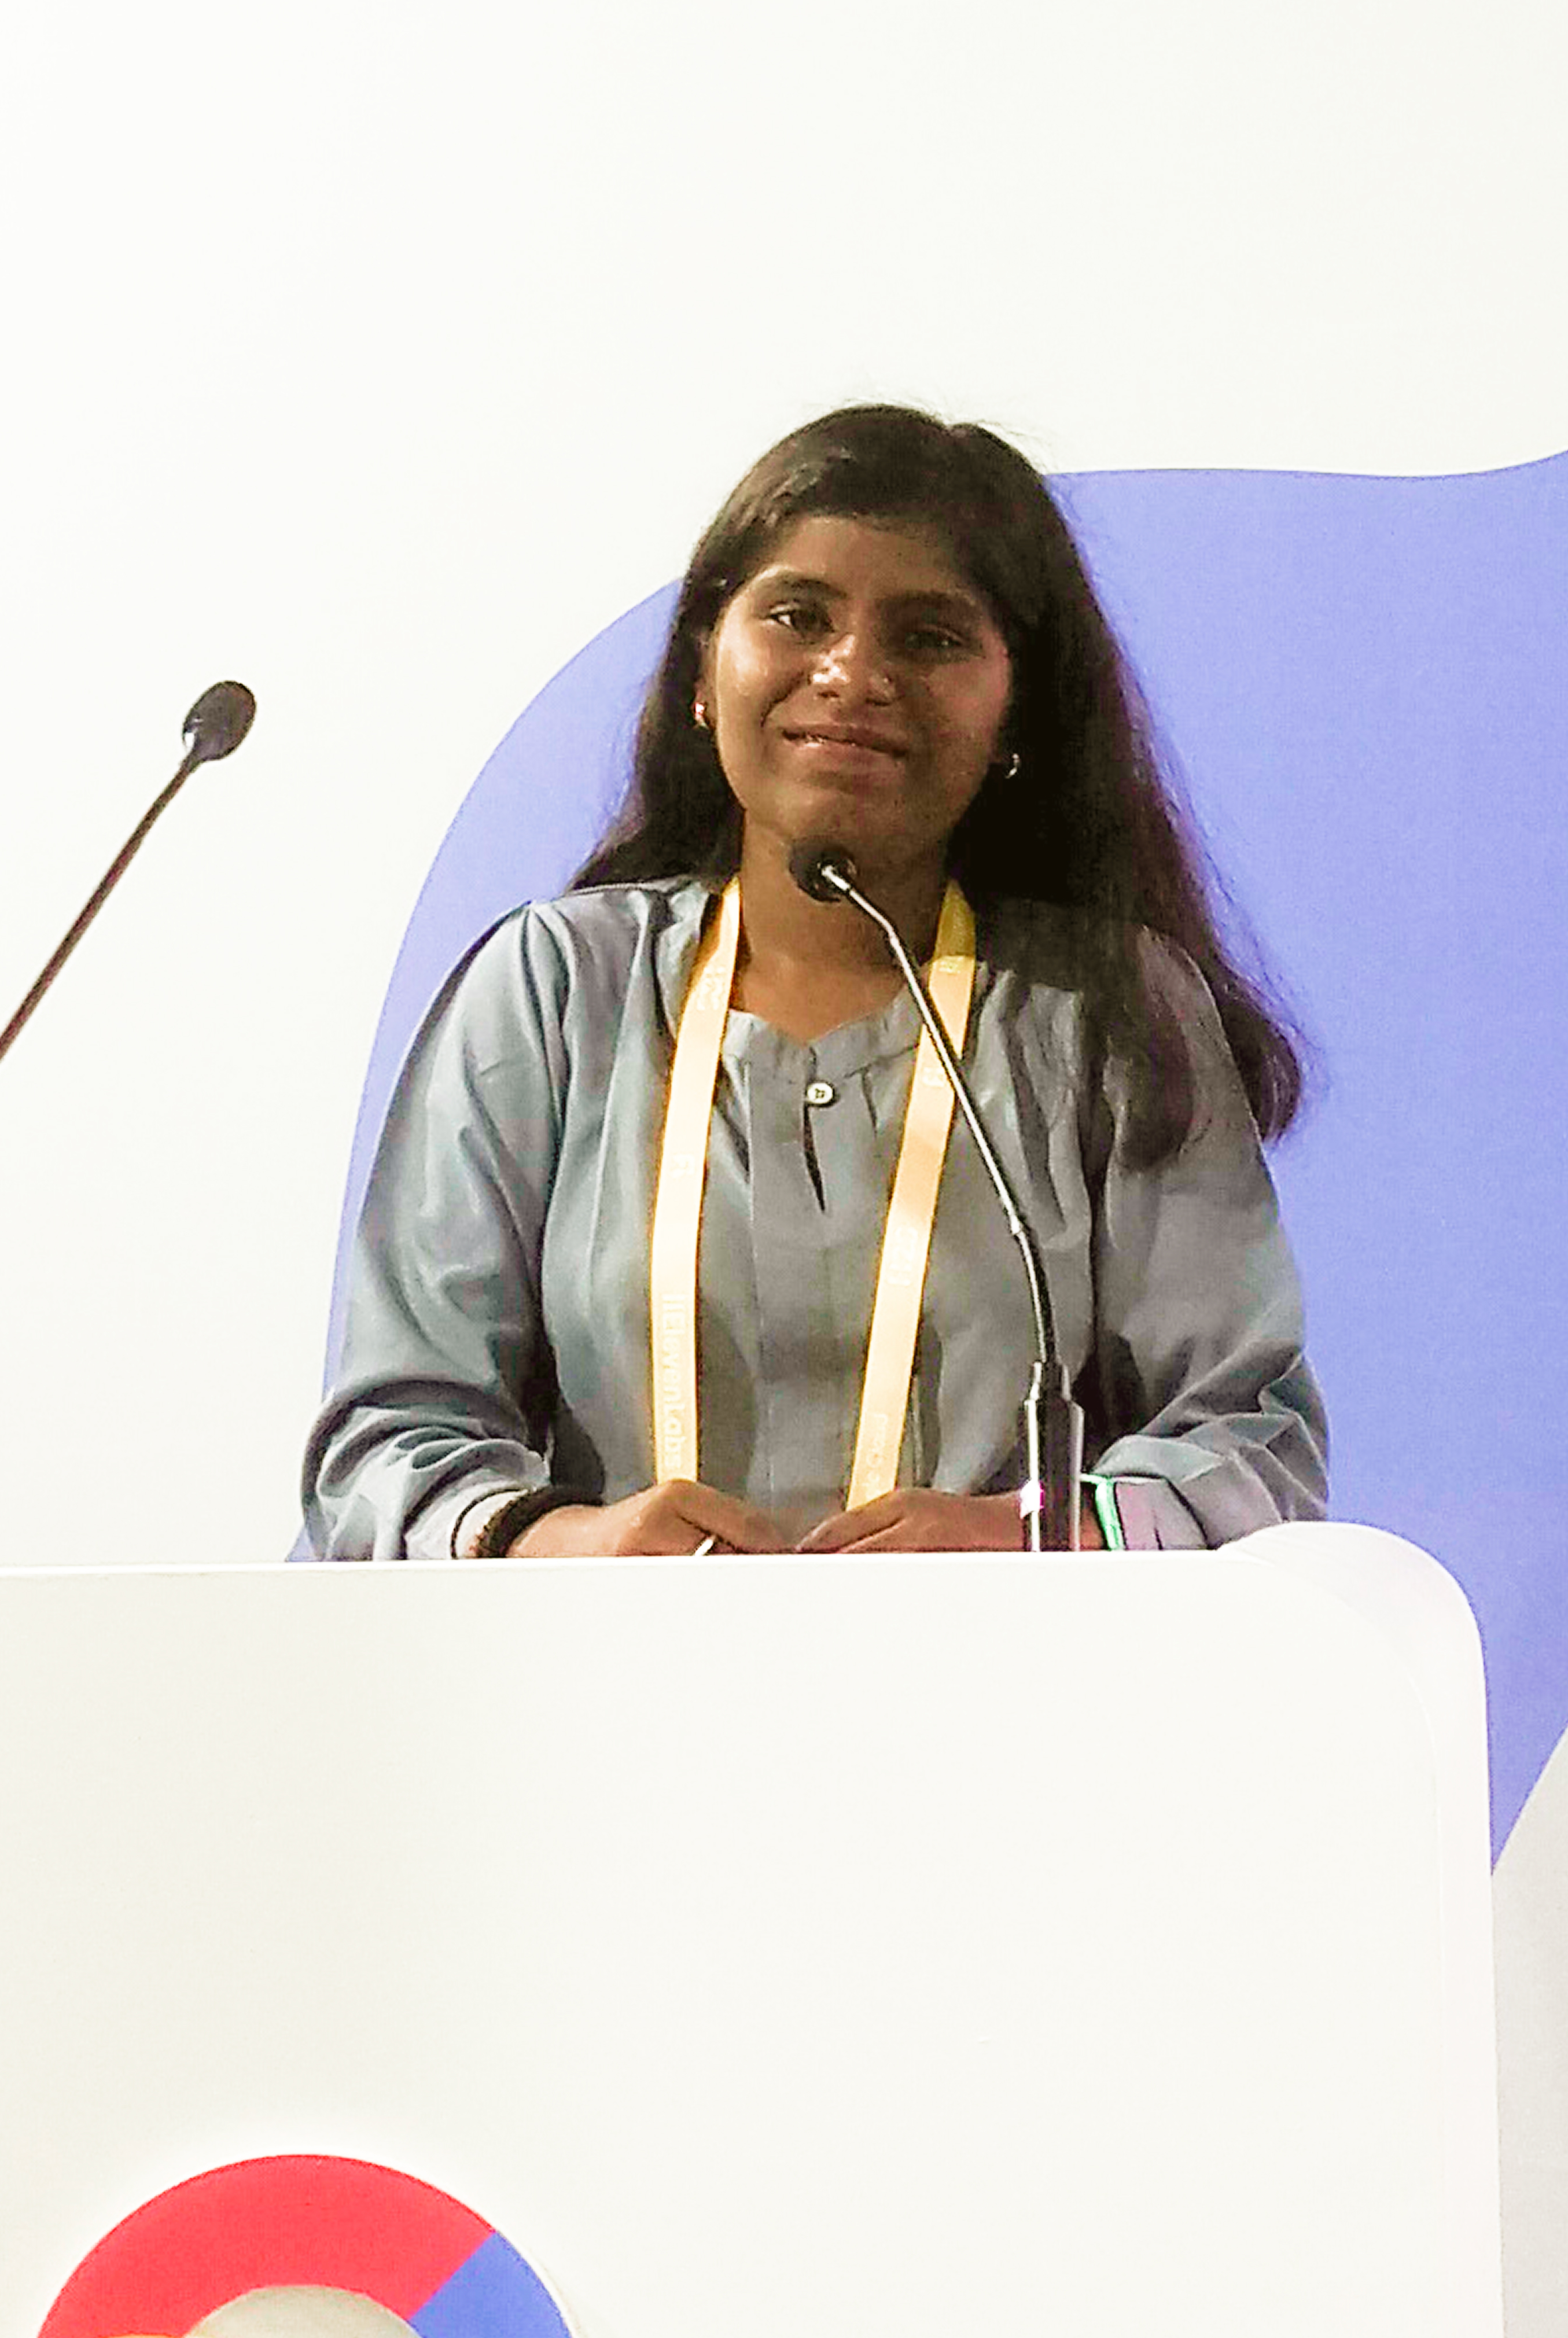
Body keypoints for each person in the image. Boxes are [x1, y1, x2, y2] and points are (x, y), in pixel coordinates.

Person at [304, 405, 1327, 1561]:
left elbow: (1252, 1450)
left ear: (1016, 715)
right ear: (704, 668)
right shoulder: (551, 992)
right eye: (798, 616)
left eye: (929, 637)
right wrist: (561, 1546)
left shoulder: (1106, 1010)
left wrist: (1027, 1537)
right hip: (609, 1672)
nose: (852, 674)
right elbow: (386, 1446)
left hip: (1001, 1673)